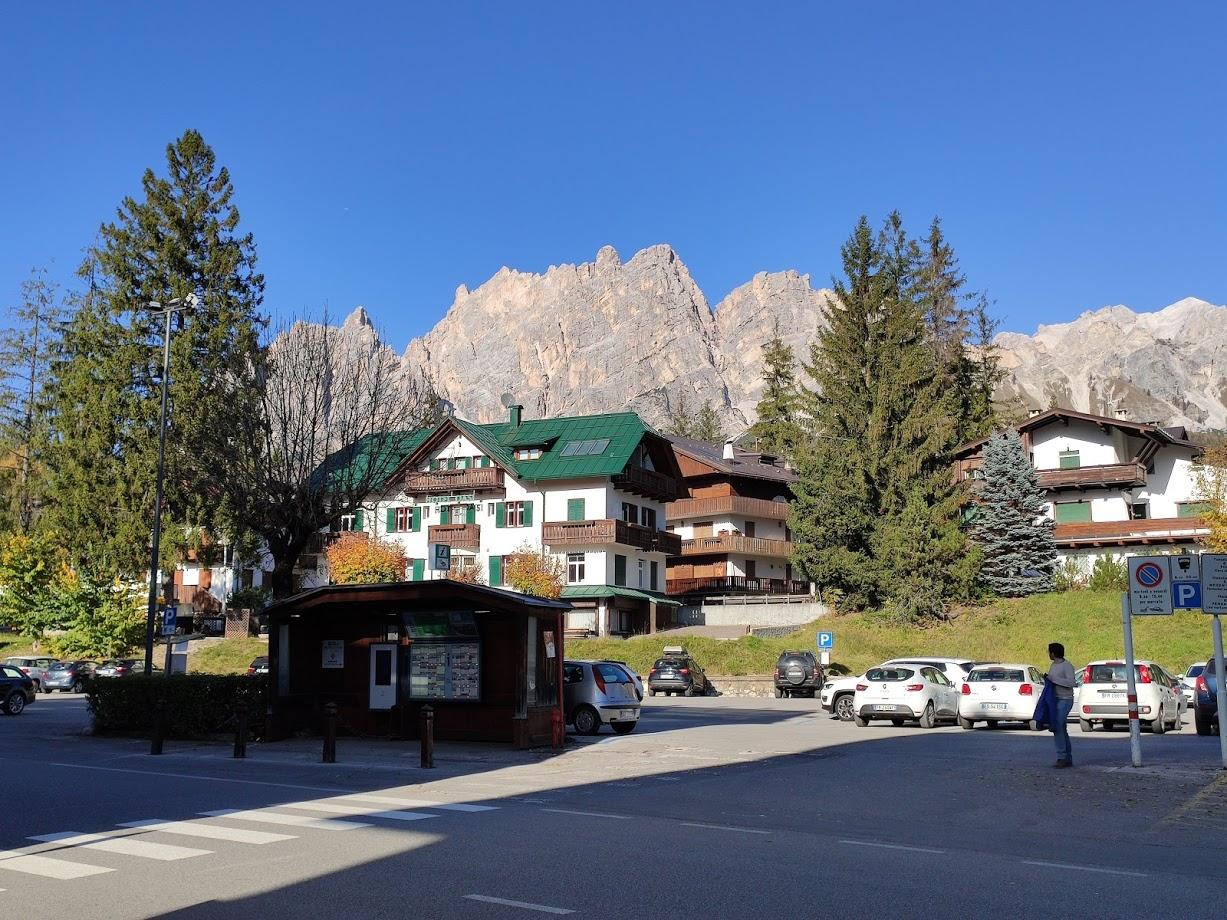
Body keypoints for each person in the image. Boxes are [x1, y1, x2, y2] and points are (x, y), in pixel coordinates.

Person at [1047, 642, 1077, 767]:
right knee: (1062, 729)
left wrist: (1054, 680)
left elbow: (1071, 683)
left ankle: (1062, 757)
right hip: (1056, 699)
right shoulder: (1053, 665)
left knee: (1057, 727)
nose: (1048, 654)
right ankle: (1067, 757)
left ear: (1053, 653)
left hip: (1065, 699)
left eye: (1049, 652)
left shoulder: (1067, 666)